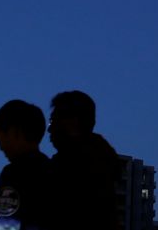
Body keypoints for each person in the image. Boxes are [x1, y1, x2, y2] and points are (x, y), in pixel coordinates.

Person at [48, 90, 120, 230]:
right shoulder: (101, 159)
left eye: (53, 120)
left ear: (73, 122)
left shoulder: (69, 166)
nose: (50, 129)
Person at [0, 99, 53, 230]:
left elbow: (5, 225)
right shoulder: (53, 170)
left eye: (1, 137)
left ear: (15, 132)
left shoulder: (12, 173)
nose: (0, 146)